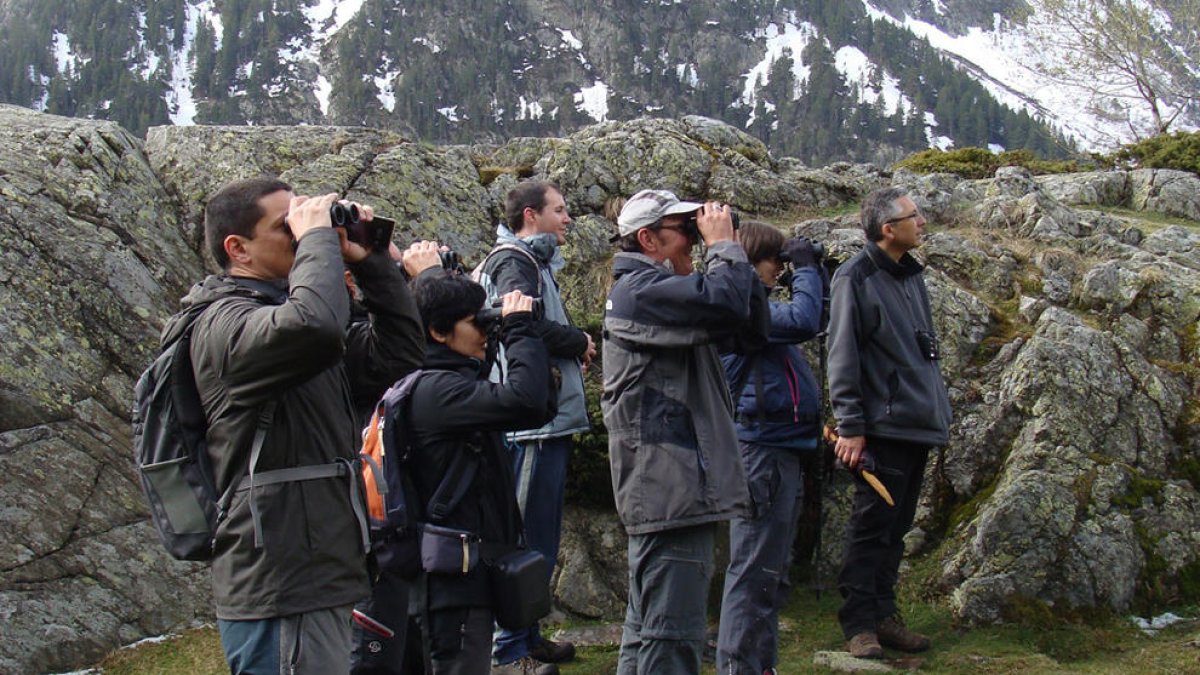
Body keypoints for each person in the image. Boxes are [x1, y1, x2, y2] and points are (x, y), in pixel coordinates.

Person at [167, 177, 426, 673]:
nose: (301, 233)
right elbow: (317, 326)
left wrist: (370, 264)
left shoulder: (283, 321)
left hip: (316, 568)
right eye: (285, 226)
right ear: (237, 248)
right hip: (280, 579)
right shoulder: (224, 323)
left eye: (301, 221)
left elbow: (400, 355)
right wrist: (317, 242)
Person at [601, 189, 766, 674]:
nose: (694, 242)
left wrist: (730, 246)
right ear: (647, 239)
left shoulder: (662, 291)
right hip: (670, 487)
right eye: (684, 233)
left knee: (650, 631)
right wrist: (723, 251)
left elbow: (750, 330)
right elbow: (725, 305)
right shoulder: (640, 291)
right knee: (671, 636)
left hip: (675, 484)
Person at [405, 271, 557, 674]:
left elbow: (538, 406)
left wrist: (521, 337)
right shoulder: (437, 391)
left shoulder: (450, 382)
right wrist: (519, 329)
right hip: (450, 583)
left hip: (466, 570)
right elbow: (524, 402)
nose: (486, 330)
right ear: (438, 332)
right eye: (477, 322)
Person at [475, 180, 596, 673]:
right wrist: (578, 339)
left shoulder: (531, 260)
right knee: (525, 537)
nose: (568, 219)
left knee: (537, 535)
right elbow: (516, 320)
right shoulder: (515, 260)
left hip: (543, 421)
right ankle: (509, 651)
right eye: (560, 210)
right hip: (532, 425)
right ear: (531, 215)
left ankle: (527, 636)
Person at [826, 186, 952, 659]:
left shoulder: (910, 275)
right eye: (913, 216)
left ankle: (884, 615)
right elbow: (843, 356)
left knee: (895, 529)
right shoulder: (855, 277)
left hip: (916, 425)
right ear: (887, 228)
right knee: (871, 526)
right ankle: (859, 624)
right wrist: (852, 426)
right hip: (882, 427)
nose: (922, 223)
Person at [715, 222, 826, 675]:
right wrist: (804, 270)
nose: (779, 272)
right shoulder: (743, 312)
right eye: (774, 263)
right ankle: (739, 668)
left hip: (777, 448)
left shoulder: (753, 308)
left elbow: (816, 318)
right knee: (752, 571)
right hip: (759, 451)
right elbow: (802, 320)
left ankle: (760, 666)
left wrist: (817, 274)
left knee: (768, 574)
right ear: (750, 262)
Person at [347, 240, 443, 675]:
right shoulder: (342, 336)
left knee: (406, 637)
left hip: (393, 504)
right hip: (374, 510)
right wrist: (426, 282)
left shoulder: (357, 329)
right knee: (378, 640)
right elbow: (417, 352)